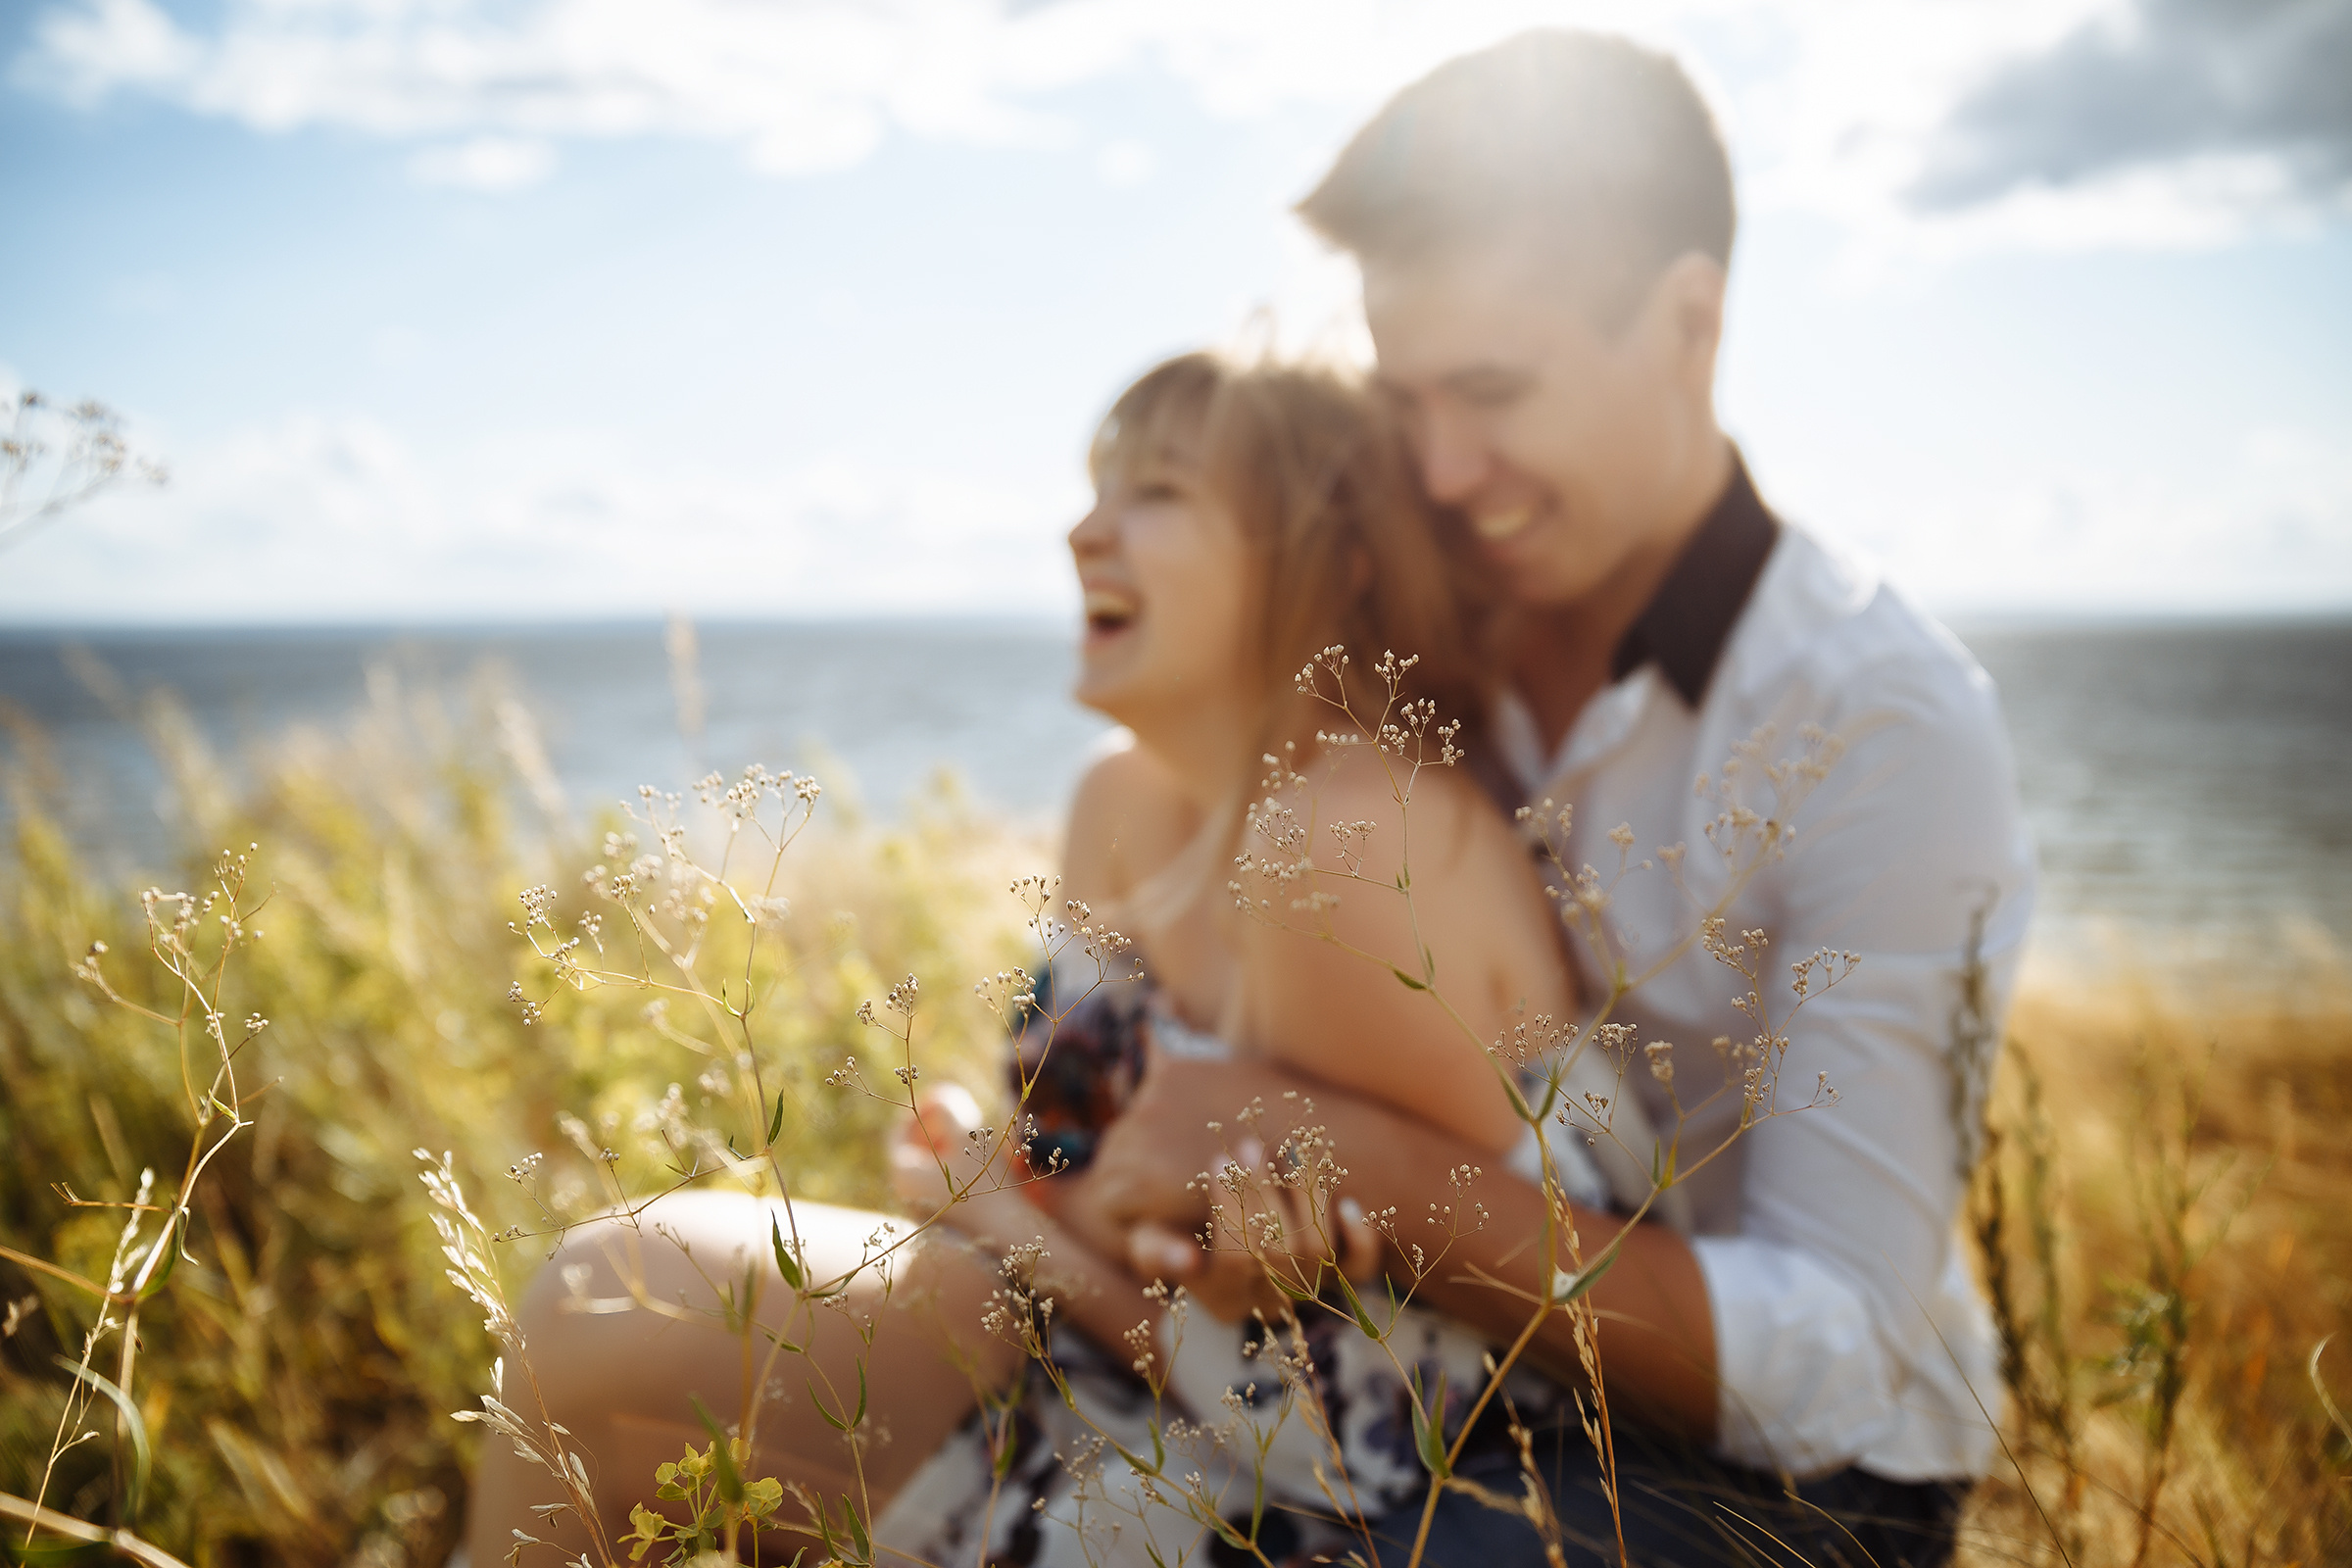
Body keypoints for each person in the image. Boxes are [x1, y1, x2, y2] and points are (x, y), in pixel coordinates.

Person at [1066, 26, 2037, 1567]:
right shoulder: (1422, 619)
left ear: (1689, 325)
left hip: (1793, 1492)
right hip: (1420, 1379)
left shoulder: (1883, 725)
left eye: (1495, 390)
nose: (1444, 469)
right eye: (1405, 400)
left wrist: (1357, 1162)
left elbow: (1843, 1349)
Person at [465, 352, 1648, 1564]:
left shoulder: (1346, 845)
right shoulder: (1124, 801)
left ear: (1331, 560)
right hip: (1109, 1358)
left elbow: (1360, 1433)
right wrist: (992, 1160)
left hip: (1331, 1479)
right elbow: (1069, 1158)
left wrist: (997, 1214)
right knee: (600, 1318)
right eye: (1099, 488)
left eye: (1161, 494)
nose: (1086, 531)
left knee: (614, 1332)